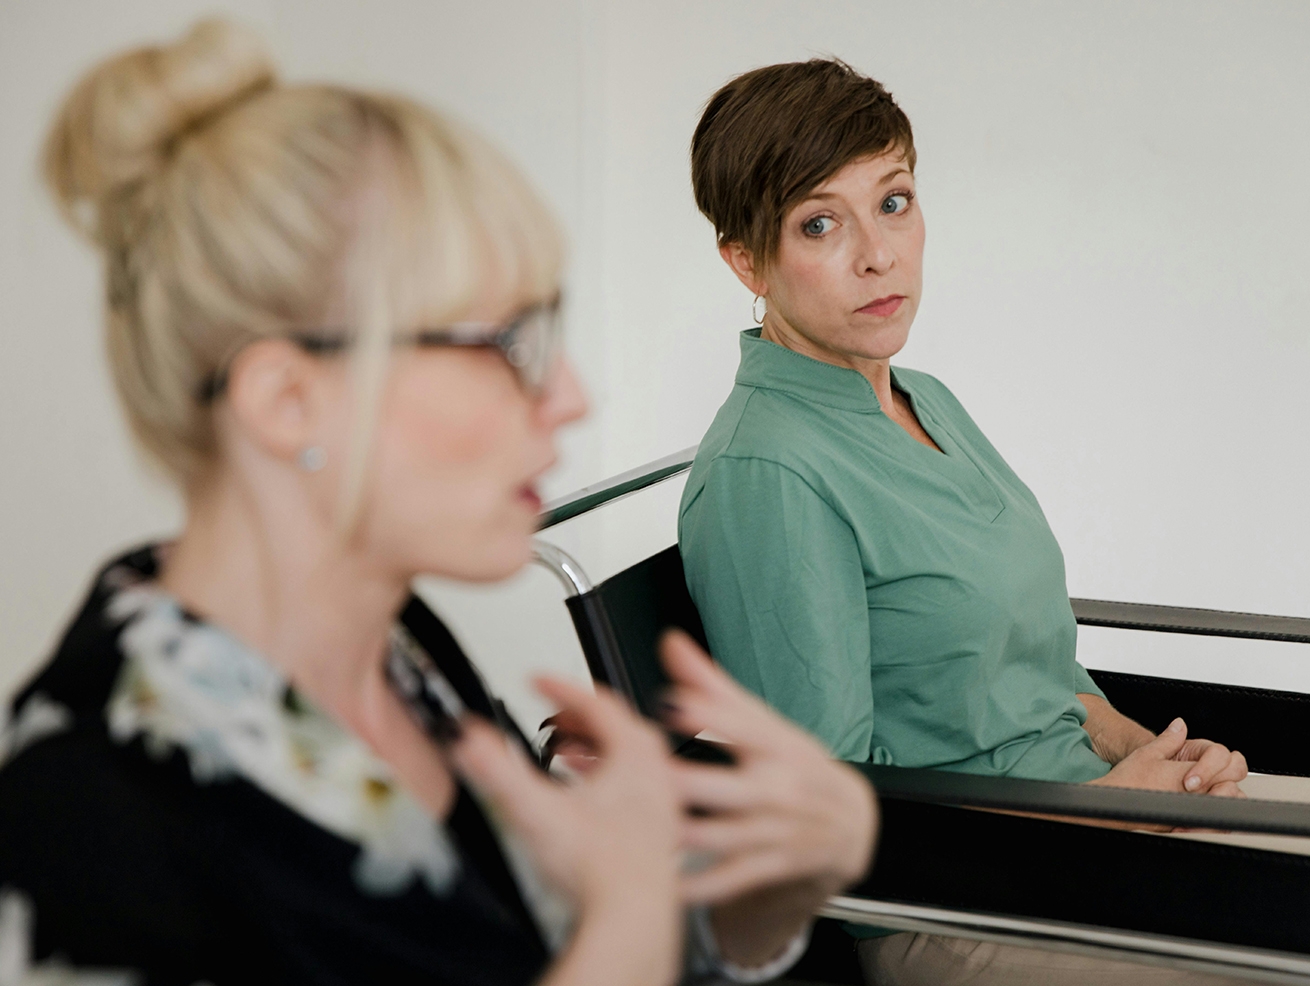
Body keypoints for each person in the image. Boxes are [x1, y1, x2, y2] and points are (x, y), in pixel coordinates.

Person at [0, 23, 878, 985]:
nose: (571, 396)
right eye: (506, 340)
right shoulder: (90, 810)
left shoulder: (400, 651)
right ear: (287, 400)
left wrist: (761, 894)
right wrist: (628, 915)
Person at [677, 58, 1249, 985]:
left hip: (1095, 820)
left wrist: (1154, 758)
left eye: (893, 201)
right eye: (820, 223)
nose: (878, 253)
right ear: (745, 259)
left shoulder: (925, 398)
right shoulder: (769, 472)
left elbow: (1039, 670)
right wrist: (1106, 810)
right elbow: (832, 812)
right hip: (959, 904)